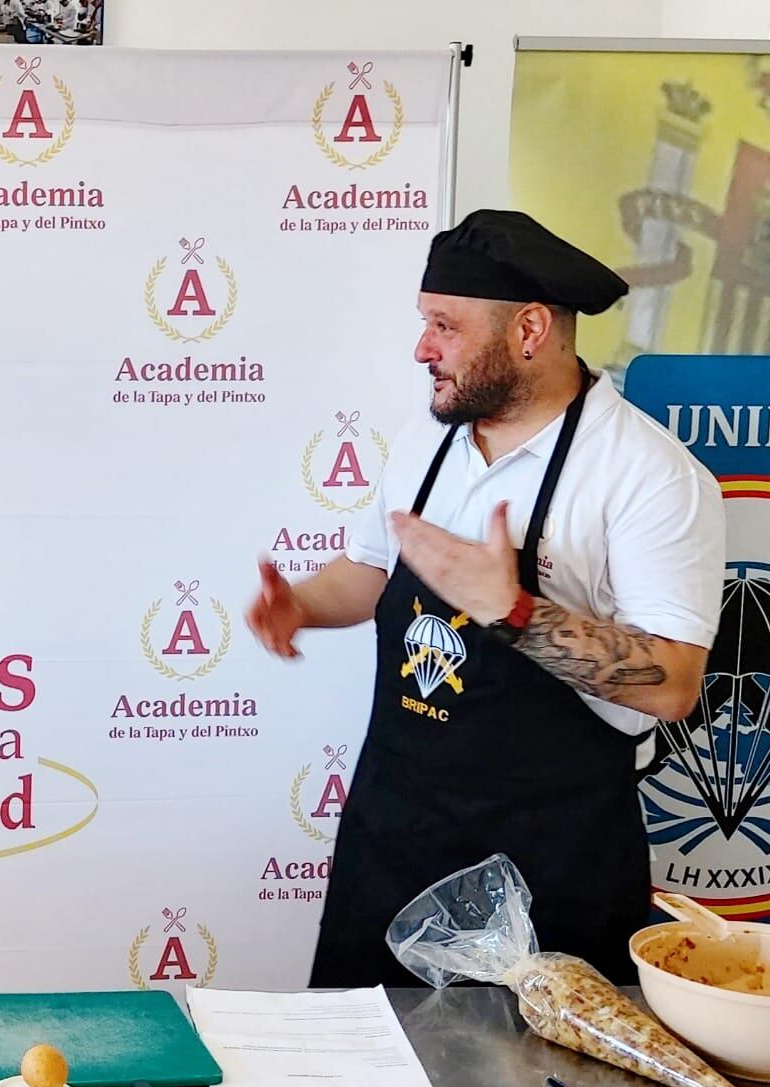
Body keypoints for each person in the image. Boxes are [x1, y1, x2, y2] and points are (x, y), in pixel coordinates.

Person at [248, 210, 724, 988]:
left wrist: (516, 612)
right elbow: (370, 577)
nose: (422, 347)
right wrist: (299, 605)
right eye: (424, 321)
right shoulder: (426, 439)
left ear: (530, 330)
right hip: (395, 842)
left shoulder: (649, 475)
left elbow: (673, 683)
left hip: (551, 869)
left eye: (446, 325)